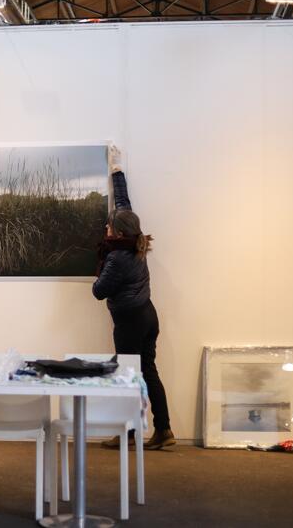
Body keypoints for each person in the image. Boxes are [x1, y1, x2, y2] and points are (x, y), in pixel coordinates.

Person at [93, 153, 175, 450]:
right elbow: (123, 203)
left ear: (117, 232)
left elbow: (99, 291)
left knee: (128, 376)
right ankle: (164, 430)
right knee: (148, 371)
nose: (106, 229)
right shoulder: (135, 240)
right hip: (148, 315)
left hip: (129, 322)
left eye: (108, 227)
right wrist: (116, 171)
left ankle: (128, 433)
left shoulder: (117, 257)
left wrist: (100, 266)